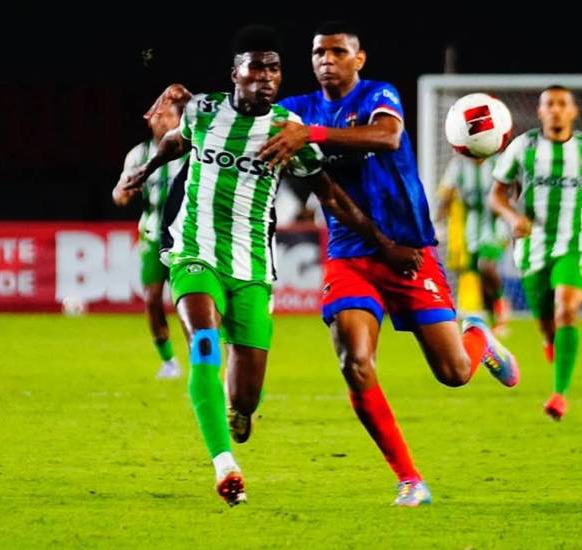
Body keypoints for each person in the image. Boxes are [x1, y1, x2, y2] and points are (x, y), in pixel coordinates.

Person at [124, 25, 422, 507]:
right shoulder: (204, 110)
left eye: (274, 67)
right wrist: (141, 173)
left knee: (245, 398)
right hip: (194, 251)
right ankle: (224, 467)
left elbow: (332, 198)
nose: (266, 75)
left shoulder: (288, 132)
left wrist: (384, 246)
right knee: (203, 341)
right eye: (256, 66)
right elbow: (174, 142)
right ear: (235, 73)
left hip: (253, 268)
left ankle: (237, 417)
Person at [259, 21, 519, 507]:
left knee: (454, 373)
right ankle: (409, 479)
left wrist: (309, 134)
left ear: (359, 59)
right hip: (351, 253)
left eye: (338, 51)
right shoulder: (295, 110)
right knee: (354, 362)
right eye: (318, 53)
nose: (326, 60)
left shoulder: (379, 95)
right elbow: (326, 192)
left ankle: (477, 334)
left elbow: (387, 138)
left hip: (408, 251)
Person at [490, 85, 582, 420]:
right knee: (546, 322)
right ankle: (550, 339)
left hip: (577, 240)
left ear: (573, 111)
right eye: (549, 104)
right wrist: (513, 217)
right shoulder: (522, 147)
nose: (555, 110)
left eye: (562, 104)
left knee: (566, 309)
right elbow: (496, 195)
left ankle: (559, 395)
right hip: (532, 246)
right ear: (540, 112)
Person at [113, 84, 191, 379]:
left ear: (179, 119)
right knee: (152, 299)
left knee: (188, 301)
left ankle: (199, 358)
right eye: (156, 116)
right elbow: (120, 191)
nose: (161, 121)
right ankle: (169, 361)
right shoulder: (138, 154)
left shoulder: (190, 151)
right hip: (151, 237)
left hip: (186, 239)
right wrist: (122, 195)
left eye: (167, 115)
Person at [436, 153, 511, 334]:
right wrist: (438, 223)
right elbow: (447, 196)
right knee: (480, 276)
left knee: (486, 266)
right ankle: (493, 320)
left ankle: (502, 307)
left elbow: (511, 191)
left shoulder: (498, 163)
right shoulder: (458, 165)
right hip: (470, 229)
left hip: (496, 227)